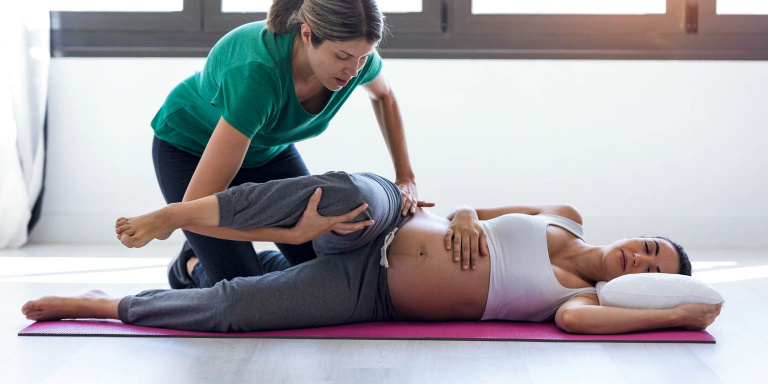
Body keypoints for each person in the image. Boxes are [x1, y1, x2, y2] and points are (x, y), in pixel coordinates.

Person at [22, 172, 722, 334]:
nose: (642, 260)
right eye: (652, 247)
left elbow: (576, 329)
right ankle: (176, 220)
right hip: (386, 221)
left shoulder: (581, 300)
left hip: (372, 294)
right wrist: (469, 216)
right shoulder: (564, 219)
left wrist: (682, 312)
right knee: (332, 193)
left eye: (653, 272)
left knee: (244, 310)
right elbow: (468, 202)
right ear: (641, 233)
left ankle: (105, 304)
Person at [150, 0, 430, 289]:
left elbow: (384, 96)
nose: (354, 71)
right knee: (247, 292)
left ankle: (250, 264)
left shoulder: (356, 59)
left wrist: (406, 176)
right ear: (307, 34)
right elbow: (189, 214)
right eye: (343, 56)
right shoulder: (256, 75)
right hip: (189, 148)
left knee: (333, 273)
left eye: (363, 58)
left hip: (267, 153)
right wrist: (292, 234)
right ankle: (190, 264)